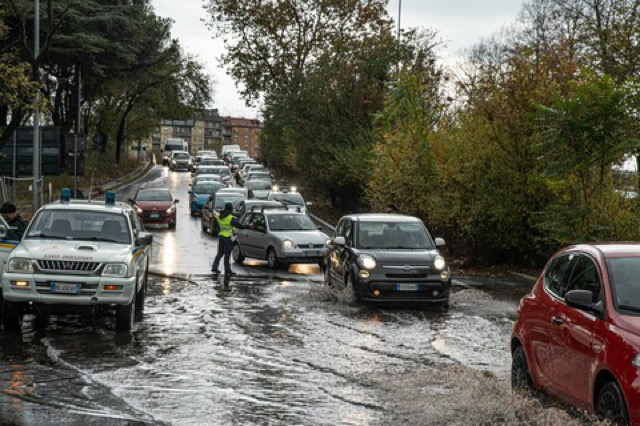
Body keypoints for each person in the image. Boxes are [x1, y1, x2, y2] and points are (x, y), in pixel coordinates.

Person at [211, 202, 251, 282]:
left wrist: (219, 230)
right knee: (227, 254)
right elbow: (240, 226)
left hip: (221, 237)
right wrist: (248, 226)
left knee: (220, 253)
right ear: (230, 209)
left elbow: (215, 225)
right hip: (228, 238)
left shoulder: (219, 216)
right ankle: (227, 270)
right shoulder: (230, 218)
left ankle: (214, 268)